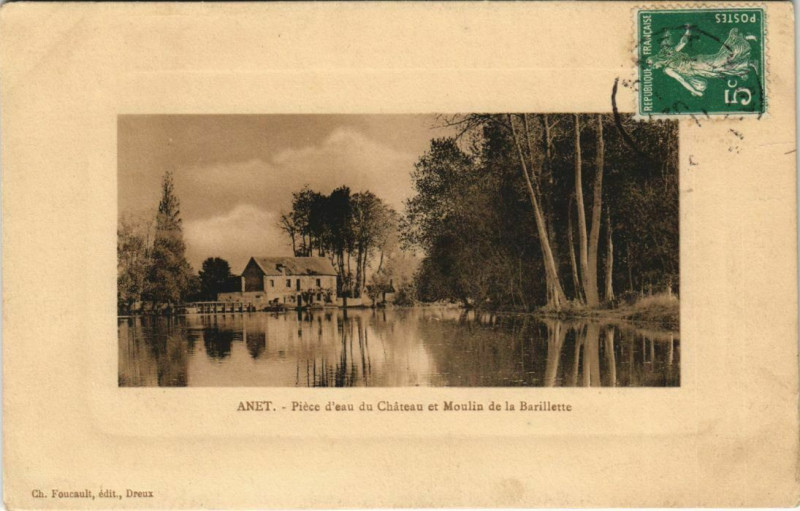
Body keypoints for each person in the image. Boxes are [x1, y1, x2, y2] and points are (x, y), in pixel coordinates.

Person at [647, 26, 758, 97]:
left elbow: (682, 80)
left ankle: (740, 40)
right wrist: (687, 31)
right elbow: (682, 43)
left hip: (698, 65)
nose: (655, 68)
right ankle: (749, 61)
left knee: (722, 60)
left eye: (653, 66)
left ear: (655, 62)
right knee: (722, 67)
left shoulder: (667, 69)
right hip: (698, 64)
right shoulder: (668, 54)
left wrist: (696, 92)